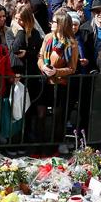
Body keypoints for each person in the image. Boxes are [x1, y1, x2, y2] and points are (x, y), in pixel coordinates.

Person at [37, 10, 79, 153]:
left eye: (54, 22)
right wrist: (43, 66)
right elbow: (41, 56)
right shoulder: (48, 37)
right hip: (44, 81)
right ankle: (40, 144)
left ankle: (55, 145)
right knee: (41, 113)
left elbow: (72, 68)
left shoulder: (71, 44)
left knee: (58, 116)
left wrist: (56, 72)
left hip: (60, 84)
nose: (51, 24)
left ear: (61, 24)